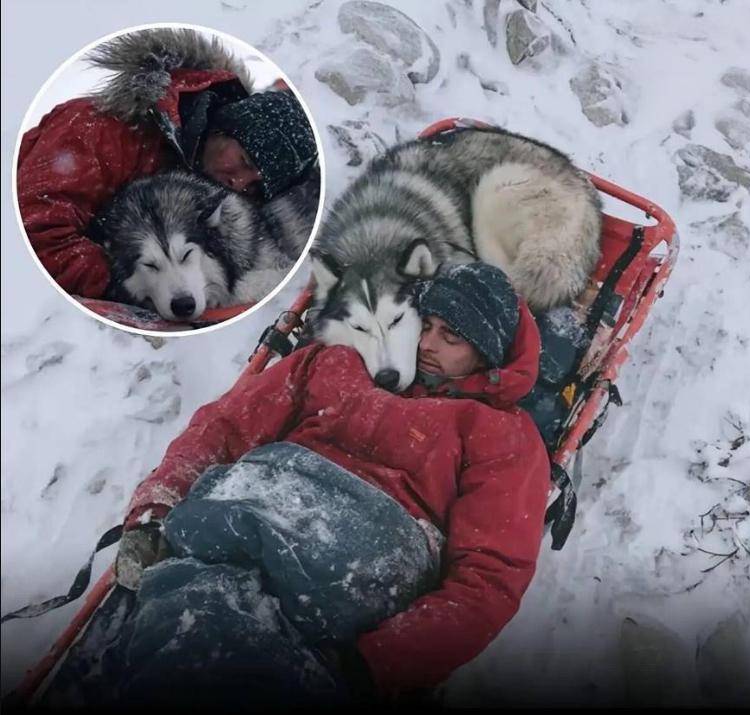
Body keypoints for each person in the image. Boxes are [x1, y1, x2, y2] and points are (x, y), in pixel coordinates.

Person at [48, 262, 550, 706]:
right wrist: (158, 507)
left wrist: (382, 662)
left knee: (201, 620)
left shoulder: (502, 435)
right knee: (195, 601)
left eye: (452, 337)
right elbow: (224, 430)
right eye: (428, 325)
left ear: (487, 356)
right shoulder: (335, 362)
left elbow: (489, 580)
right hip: (252, 506)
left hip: (361, 554)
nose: (427, 344)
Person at [15, 28, 318, 299]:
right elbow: (32, 232)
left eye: (254, 186)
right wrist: (122, 283)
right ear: (225, 127)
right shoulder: (99, 128)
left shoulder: (195, 176)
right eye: (243, 161)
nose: (238, 183)